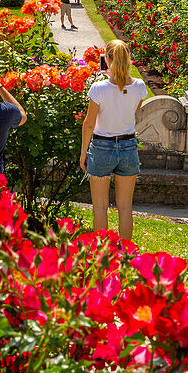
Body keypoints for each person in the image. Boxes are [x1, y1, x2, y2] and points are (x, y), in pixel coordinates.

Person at [80, 39, 146, 241]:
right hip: (128, 146)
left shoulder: (99, 88)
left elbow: (89, 123)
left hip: (101, 147)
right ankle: (126, 253)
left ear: (107, 59)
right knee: (125, 207)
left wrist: (83, 152)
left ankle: (104, 253)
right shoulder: (140, 86)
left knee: (100, 206)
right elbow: (133, 110)